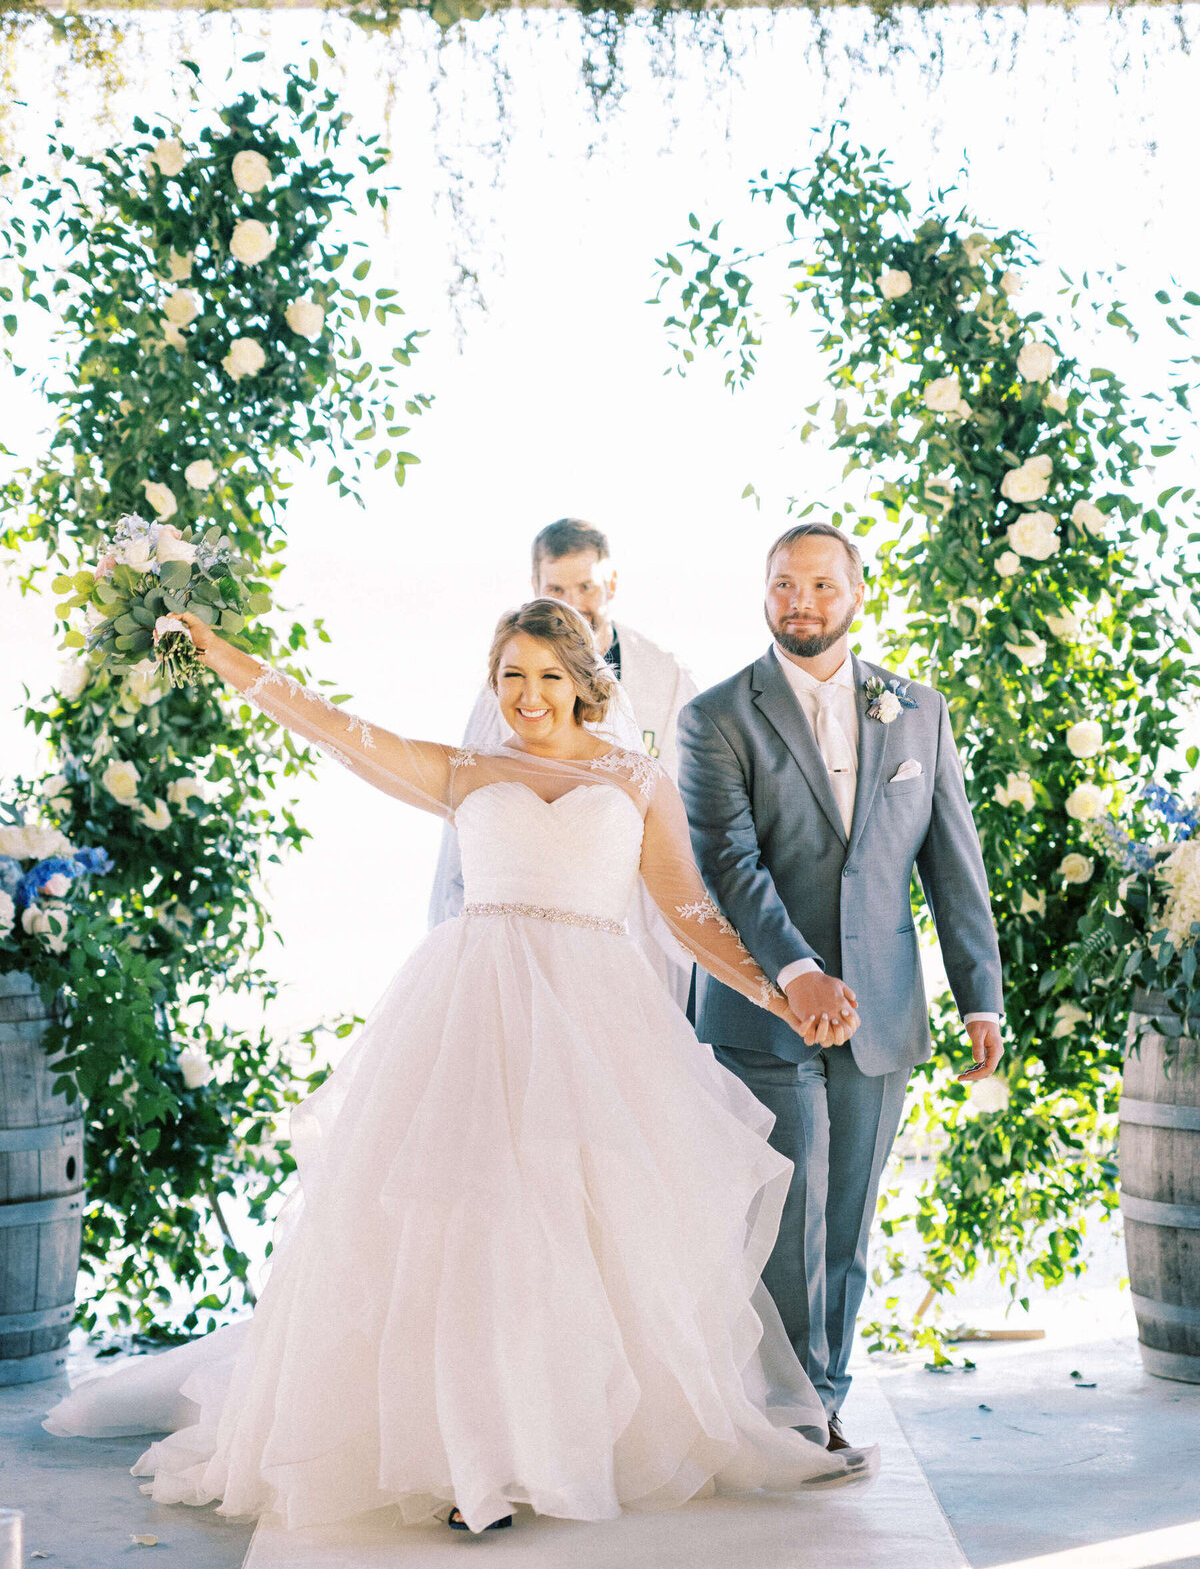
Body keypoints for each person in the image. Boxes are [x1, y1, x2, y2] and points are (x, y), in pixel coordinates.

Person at [45, 598, 874, 1535]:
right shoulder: (467, 771)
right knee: (469, 1230)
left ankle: (558, 1438)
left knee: (578, 1235)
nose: (529, 695)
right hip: (470, 1015)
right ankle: (467, 1466)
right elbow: (330, 727)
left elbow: (689, 914)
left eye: (549, 676)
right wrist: (221, 653)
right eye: (512, 675)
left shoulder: (637, 776)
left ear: (585, 682)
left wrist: (778, 995)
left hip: (597, 1026)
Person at [677, 523, 1003, 1451]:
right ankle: (780, 1408)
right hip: (762, 1006)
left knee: (849, 1214)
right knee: (784, 1215)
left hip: (885, 1005)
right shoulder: (715, 717)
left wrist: (980, 994)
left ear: (857, 593)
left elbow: (953, 862)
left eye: (821, 584)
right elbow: (730, 866)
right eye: (784, 585)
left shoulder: (919, 712)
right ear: (765, 593)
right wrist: (799, 974)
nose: (801, 602)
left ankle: (822, 1398)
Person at [428, 521, 699, 1014]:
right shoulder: (508, 689)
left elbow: (695, 810)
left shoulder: (668, 678)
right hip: (521, 928)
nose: (574, 603)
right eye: (557, 589)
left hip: (639, 928)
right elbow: (469, 803)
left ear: (611, 584)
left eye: (586, 587)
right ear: (536, 590)